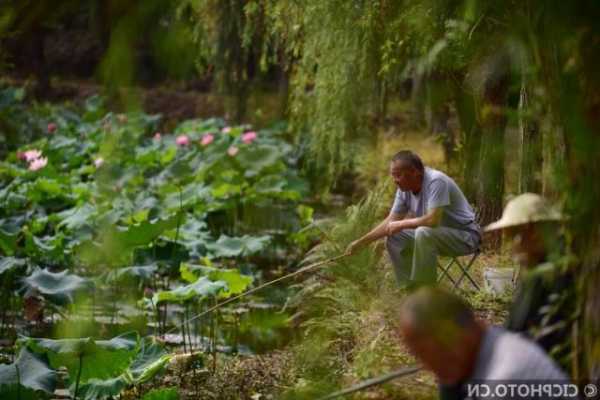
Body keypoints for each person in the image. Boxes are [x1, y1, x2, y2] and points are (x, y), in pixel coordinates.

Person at [397, 287, 571, 400]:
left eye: (433, 352)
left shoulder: (504, 382)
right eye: (420, 356)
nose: (429, 366)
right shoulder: (496, 341)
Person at [346, 150, 480, 286]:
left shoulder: (436, 181)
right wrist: (362, 242)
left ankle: (426, 292)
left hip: (465, 237)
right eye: (393, 175)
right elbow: (390, 222)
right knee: (394, 236)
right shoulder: (404, 190)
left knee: (423, 232)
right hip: (435, 237)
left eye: (398, 175)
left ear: (415, 172)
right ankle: (409, 288)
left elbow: (432, 220)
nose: (395, 180)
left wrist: (402, 223)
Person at [484, 193, 573, 362]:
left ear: (534, 232)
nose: (512, 244)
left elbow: (517, 332)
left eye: (513, 235)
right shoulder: (545, 266)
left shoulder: (546, 275)